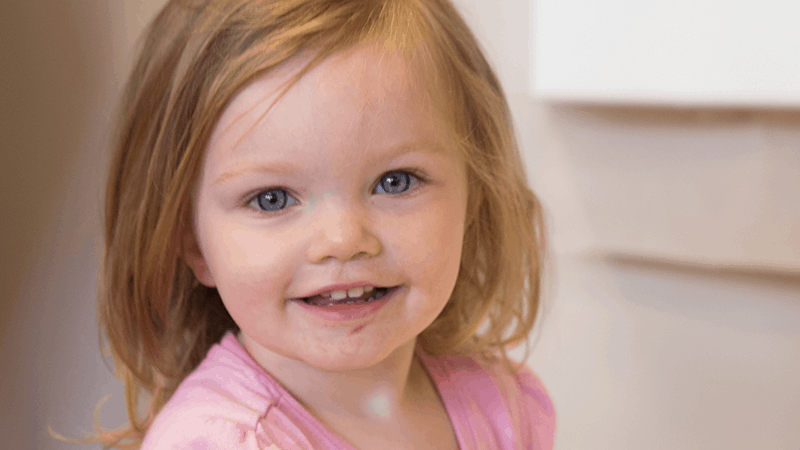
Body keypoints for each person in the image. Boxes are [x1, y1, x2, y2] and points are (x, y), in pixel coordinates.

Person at [68, 0, 555, 448]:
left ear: (474, 199)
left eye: (395, 181)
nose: (343, 241)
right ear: (191, 240)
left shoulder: (500, 405)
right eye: (272, 198)